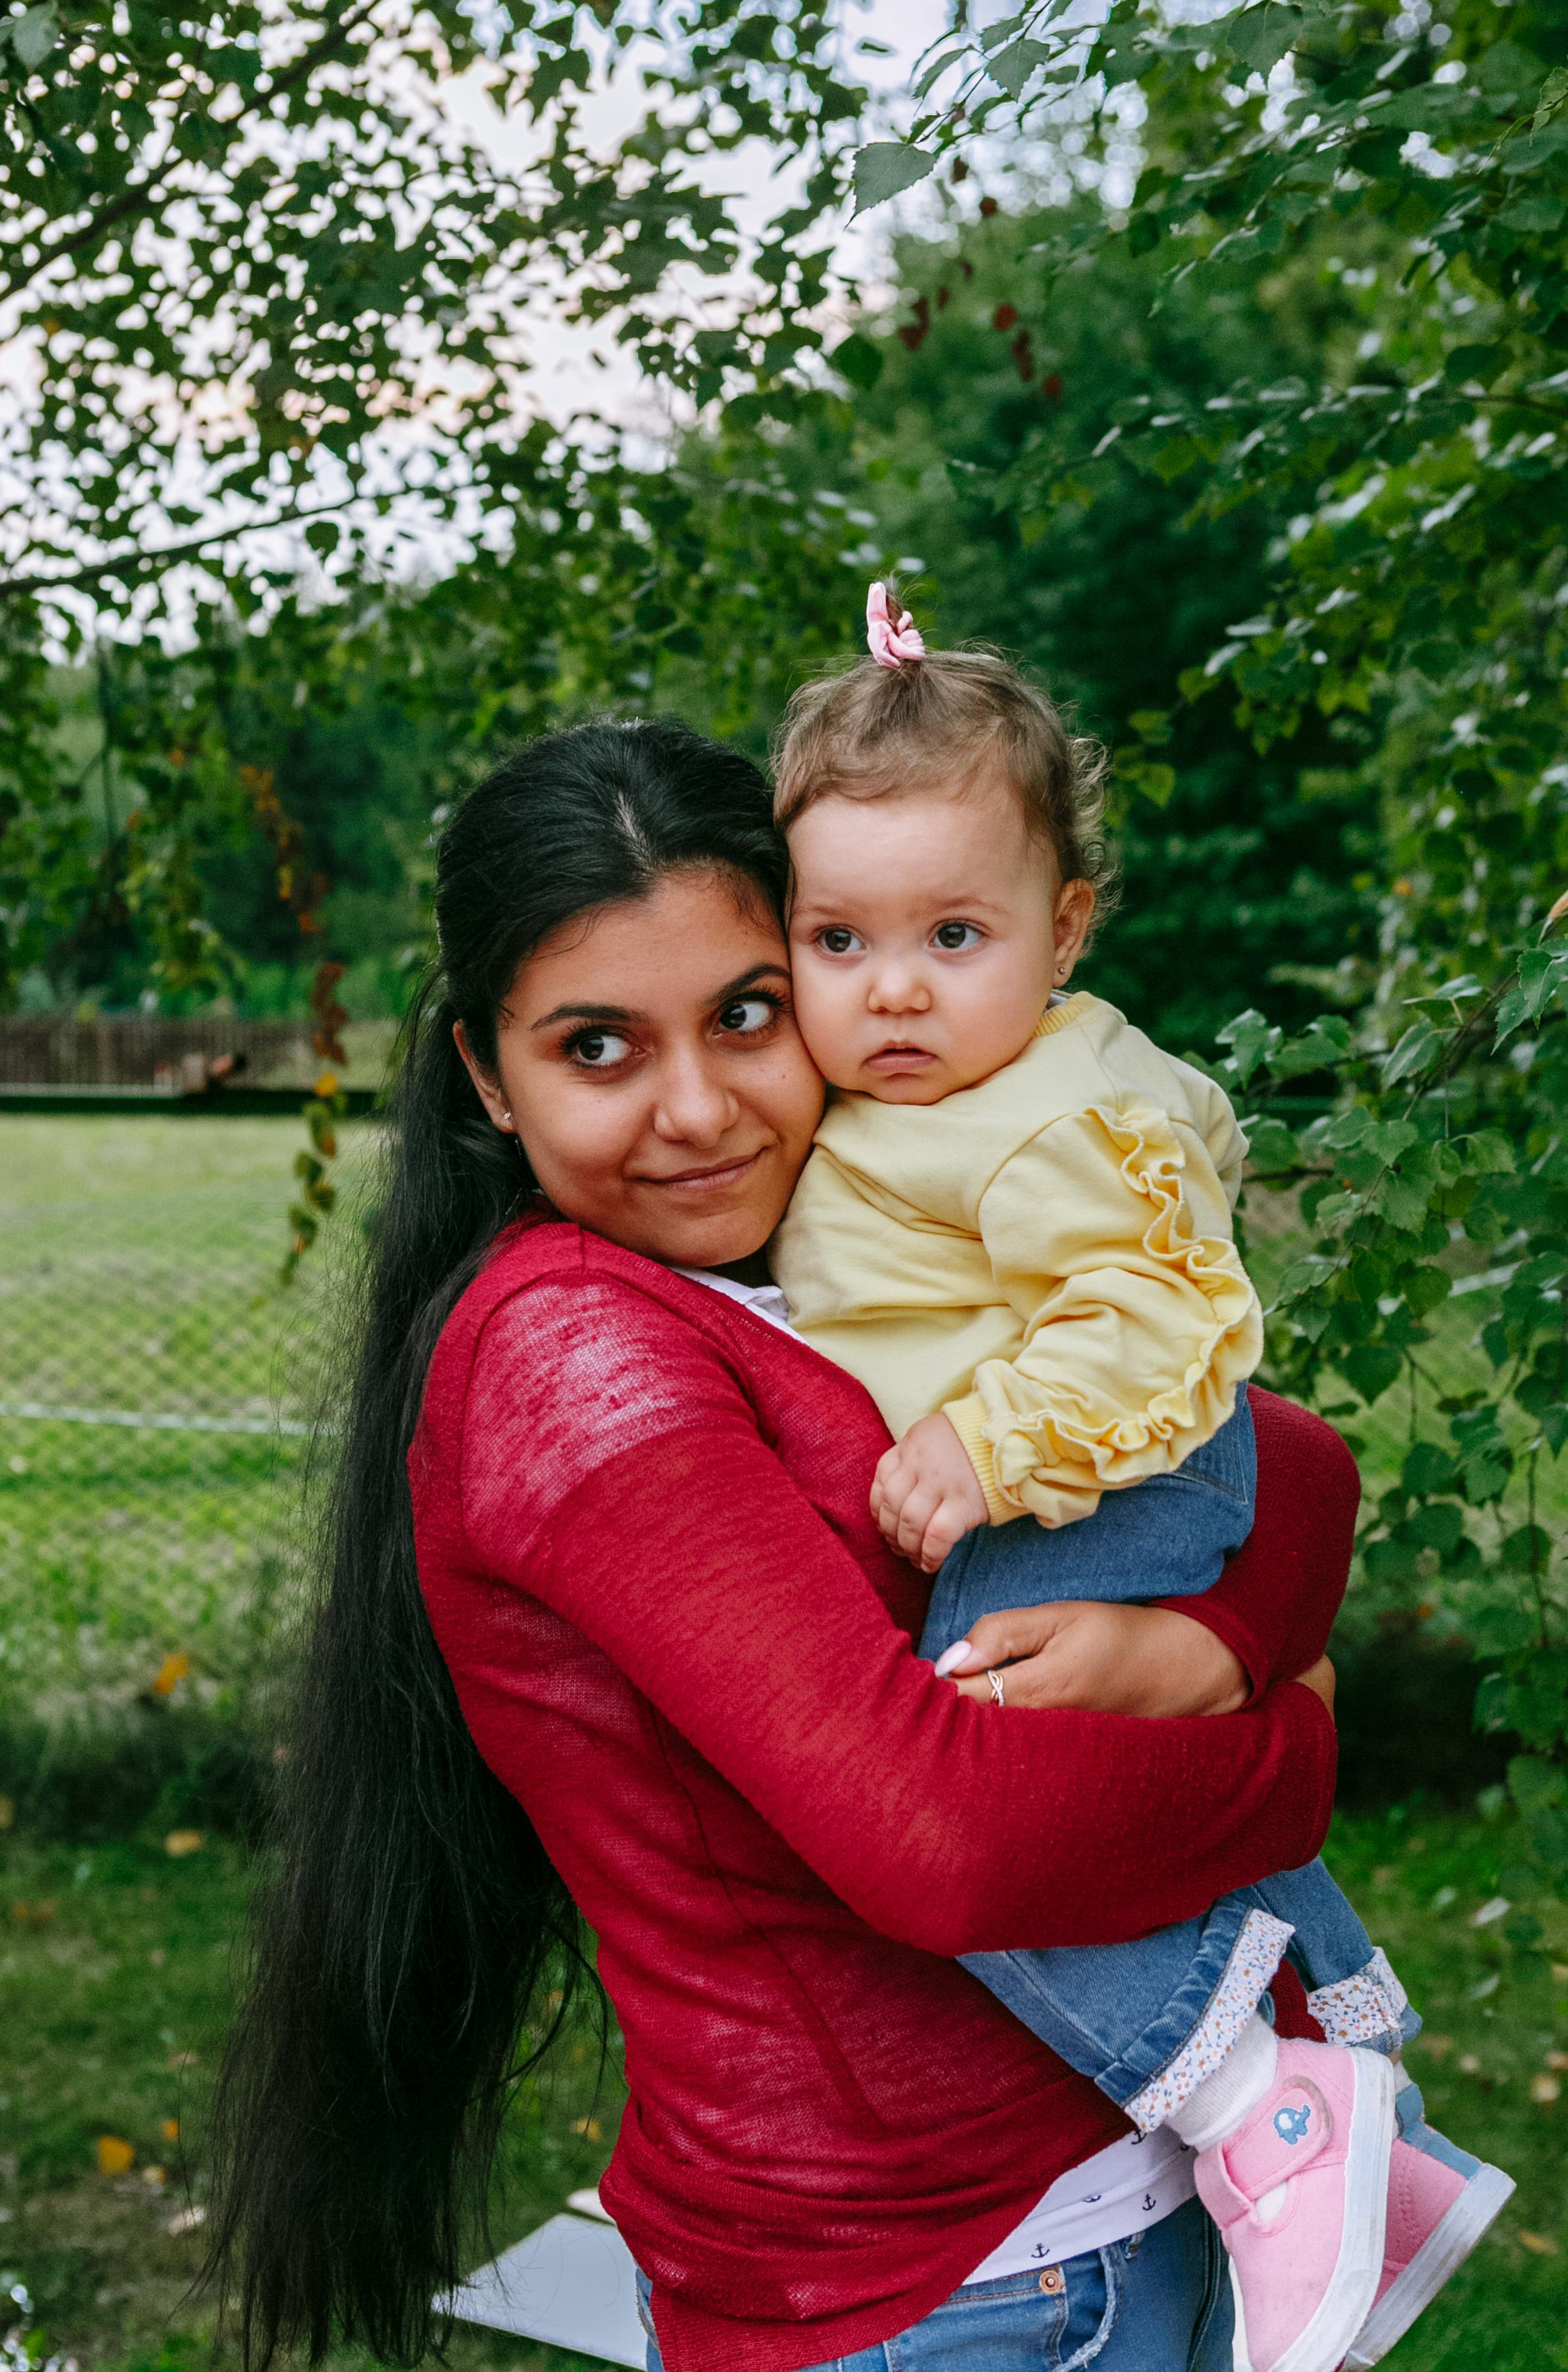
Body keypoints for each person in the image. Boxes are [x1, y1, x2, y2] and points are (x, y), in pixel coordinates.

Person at [207, 718, 1372, 2372]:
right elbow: (942, 1838)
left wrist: (1192, 1650)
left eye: (748, 1014)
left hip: (1126, 2209)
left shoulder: (829, 1260)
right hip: (942, 2291)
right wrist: (1300, 1733)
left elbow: (1297, 1463)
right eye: (598, 1047)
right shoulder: (576, 1353)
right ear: (485, 1071)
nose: (697, 1111)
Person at [768, 587, 1512, 2372]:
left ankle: (1263, 2104)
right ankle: (1361, 2118)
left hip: (1093, 1484)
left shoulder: (1046, 1102)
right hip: (1075, 1485)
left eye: (954, 932)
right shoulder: (907, 1091)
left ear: (1067, 925)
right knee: (1069, 1805)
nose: (893, 989)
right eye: (839, 939)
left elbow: (1165, 1303)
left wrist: (982, 1441)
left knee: (969, 1819)